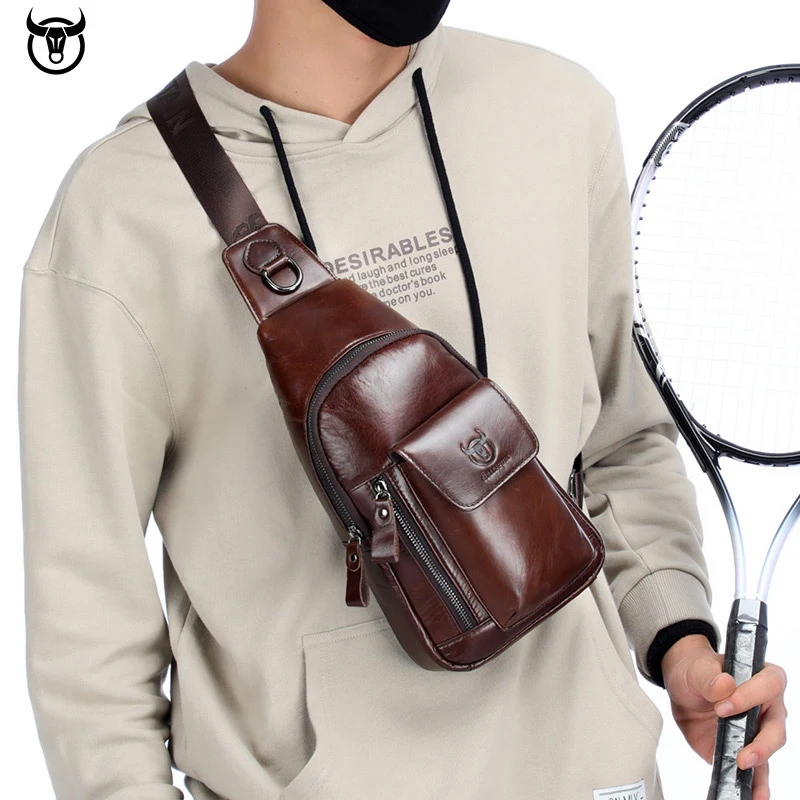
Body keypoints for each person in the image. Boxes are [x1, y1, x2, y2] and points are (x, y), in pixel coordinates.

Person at [18, 1, 788, 798]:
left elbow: (619, 446)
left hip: (594, 776)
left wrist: (680, 642)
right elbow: (87, 631)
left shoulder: (556, 112)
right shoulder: (120, 213)